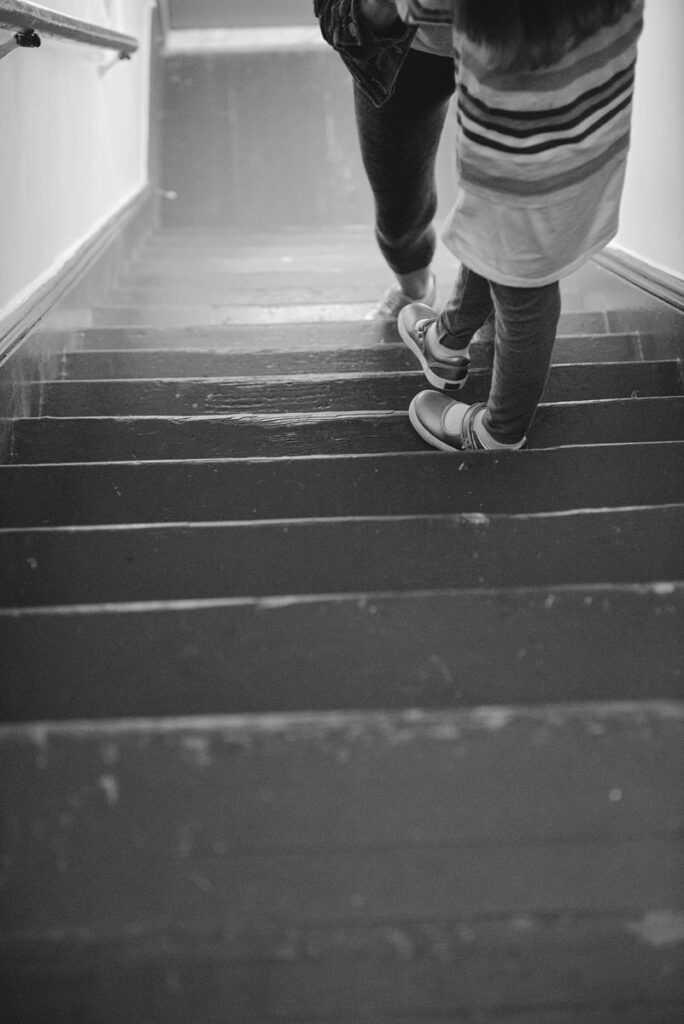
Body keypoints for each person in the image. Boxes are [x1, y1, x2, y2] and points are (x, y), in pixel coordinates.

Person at [317, 0, 645, 452]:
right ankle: (448, 341)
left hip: (515, 148)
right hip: (591, 125)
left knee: (524, 283)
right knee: (494, 243)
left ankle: (497, 432)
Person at [314, 0, 456, 319]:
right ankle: (415, 290)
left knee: (509, 192)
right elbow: (335, 17)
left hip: (528, 35)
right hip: (414, 49)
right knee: (397, 204)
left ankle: (492, 299)